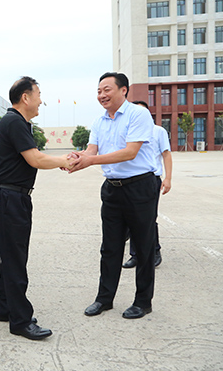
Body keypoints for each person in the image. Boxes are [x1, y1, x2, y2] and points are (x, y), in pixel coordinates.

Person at [69, 72, 158, 320]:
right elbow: (91, 150)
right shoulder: (99, 122)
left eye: (107, 89)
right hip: (112, 189)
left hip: (139, 187)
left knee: (143, 247)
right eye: (99, 91)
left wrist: (90, 160)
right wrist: (76, 159)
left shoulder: (138, 115)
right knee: (110, 247)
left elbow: (130, 152)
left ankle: (143, 301)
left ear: (124, 91)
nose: (102, 95)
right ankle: (104, 298)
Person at [0, 77, 71, 340]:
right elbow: (35, 158)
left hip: (9, 197)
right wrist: (65, 160)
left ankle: (7, 309)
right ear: (25, 97)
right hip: (9, 198)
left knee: (11, 257)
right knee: (15, 259)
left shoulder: (18, 123)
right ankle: (21, 321)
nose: (40, 101)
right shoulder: (14, 121)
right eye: (38, 95)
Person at [122, 100, 172, 269]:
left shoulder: (158, 131)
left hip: (151, 179)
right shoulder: (128, 130)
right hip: (129, 180)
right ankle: (135, 255)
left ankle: (155, 251)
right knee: (131, 219)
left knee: (149, 219)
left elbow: (166, 154)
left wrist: (168, 178)